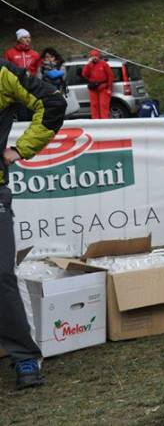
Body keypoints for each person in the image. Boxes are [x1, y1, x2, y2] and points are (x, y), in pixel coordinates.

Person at [0, 60, 66, 390]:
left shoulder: (2, 73)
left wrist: (20, 149)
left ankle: (24, 356)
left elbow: (53, 103)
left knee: (1, 276)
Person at [81, 50, 113, 119]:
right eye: (93, 56)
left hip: (103, 88)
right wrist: (88, 64)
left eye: (96, 56)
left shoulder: (104, 64)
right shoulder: (89, 65)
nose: (94, 57)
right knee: (94, 106)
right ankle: (95, 121)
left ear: (99, 56)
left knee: (103, 105)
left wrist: (109, 88)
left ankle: (104, 121)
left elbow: (110, 76)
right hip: (93, 88)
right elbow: (84, 74)